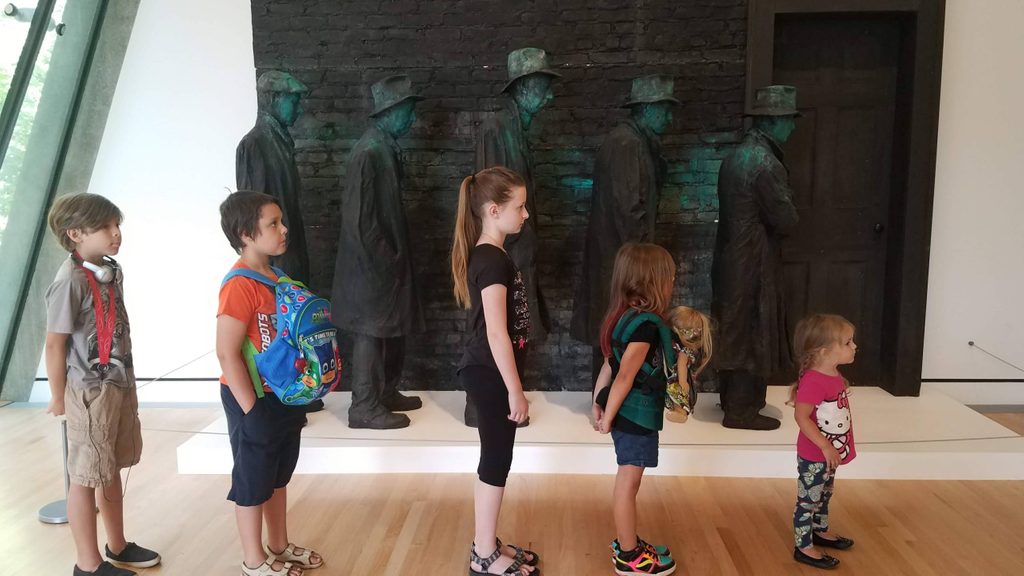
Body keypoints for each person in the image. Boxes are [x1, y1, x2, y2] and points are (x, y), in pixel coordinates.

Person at [44, 193, 161, 575]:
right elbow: (55, 341)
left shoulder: (110, 270)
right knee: (85, 475)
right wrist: (58, 396)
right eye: (106, 227)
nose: (116, 234)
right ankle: (87, 564)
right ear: (75, 233)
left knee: (109, 466)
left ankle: (118, 545)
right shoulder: (71, 282)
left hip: (117, 383)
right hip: (88, 392)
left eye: (117, 226)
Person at [217, 191, 323, 576]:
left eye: (281, 221)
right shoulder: (238, 286)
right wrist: (251, 409)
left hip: (284, 396)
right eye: (272, 224)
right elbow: (227, 352)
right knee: (253, 479)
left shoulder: (277, 278)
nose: (284, 229)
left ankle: (278, 544)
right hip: (253, 398)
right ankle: (254, 560)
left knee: (278, 475)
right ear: (246, 233)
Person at [451, 167, 540, 575]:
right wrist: (515, 391)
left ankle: (487, 544)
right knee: (496, 461)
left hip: (489, 373)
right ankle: (483, 555)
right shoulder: (490, 260)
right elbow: (497, 334)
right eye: (519, 207)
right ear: (493, 210)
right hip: (489, 374)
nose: (525, 214)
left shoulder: (494, 254)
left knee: (496, 458)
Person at [466, 47, 559, 427]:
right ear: (524, 87)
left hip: (516, 252)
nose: (549, 95)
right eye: (544, 86)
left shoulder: (516, 129)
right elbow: (489, 194)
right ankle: (485, 406)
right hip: (507, 252)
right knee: (496, 328)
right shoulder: (496, 129)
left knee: (514, 328)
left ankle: (507, 399)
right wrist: (509, 249)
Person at [331, 75, 425, 429]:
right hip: (371, 269)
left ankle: (384, 392)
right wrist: (387, 258)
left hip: (383, 266)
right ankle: (364, 406)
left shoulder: (382, 148)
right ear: (393, 111)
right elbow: (359, 221)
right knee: (371, 333)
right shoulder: (369, 152)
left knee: (387, 330)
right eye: (409, 111)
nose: (412, 119)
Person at [571, 75, 677, 381]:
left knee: (615, 328)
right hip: (623, 262)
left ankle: (608, 398)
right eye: (664, 109)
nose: (669, 117)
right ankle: (604, 399)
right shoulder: (626, 144)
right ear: (646, 109)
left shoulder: (634, 142)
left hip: (621, 260)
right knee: (613, 330)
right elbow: (630, 211)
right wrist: (646, 267)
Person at [711, 85, 802, 430]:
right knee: (751, 330)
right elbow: (787, 219)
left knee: (735, 327)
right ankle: (741, 410)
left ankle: (733, 400)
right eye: (788, 120)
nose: (792, 127)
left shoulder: (736, 156)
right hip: (753, 261)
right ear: (772, 122)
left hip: (732, 256)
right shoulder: (765, 164)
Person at [592, 243, 678, 575]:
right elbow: (626, 374)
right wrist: (609, 415)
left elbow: (608, 365)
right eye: (669, 276)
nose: (673, 281)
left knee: (629, 481)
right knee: (629, 483)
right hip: (635, 414)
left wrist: (597, 403)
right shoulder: (645, 327)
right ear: (654, 281)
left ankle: (628, 541)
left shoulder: (623, 316)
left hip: (623, 412)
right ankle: (629, 556)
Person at [790, 314, 858, 570]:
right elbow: (801, 416)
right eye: (848, 342)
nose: (854, 347)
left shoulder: (833, 375)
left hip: (829, 453)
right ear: (825, 351)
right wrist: (825, 446)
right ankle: (803, 546)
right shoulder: (813, 381)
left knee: (825, 493)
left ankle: (820, 530)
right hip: (815, 455)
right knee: (808, 500)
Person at [664, 306, 713, 423]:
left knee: (678, 395)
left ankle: (679, 412)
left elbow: (681, 364)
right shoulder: (683, 350)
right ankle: (679, 412)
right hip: (679, 377)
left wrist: (683, 381)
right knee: (680, 395)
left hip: (677, 376)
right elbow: (681, 365)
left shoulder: (678, 349)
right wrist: (683, 381)